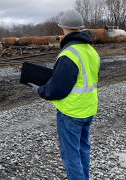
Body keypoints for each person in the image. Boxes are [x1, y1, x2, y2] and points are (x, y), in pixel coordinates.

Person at [29, 10, 100, 180]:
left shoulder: (69, 54)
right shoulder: (91, 51)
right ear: (81, 29)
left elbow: (57, 89)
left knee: (70, 156)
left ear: (62, 31)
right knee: (83, 148)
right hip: (88, 109)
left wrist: (40, 90)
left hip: (71, 112)